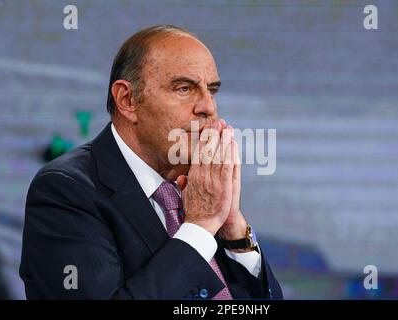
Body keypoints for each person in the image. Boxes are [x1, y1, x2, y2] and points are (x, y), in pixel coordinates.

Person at [19, 25, 282, 300]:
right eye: (184, 88)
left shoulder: (201, 188)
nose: (208, 107)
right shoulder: (64, 191)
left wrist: (234, 232)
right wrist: (201, 226)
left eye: (211, 91)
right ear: (127, 99)